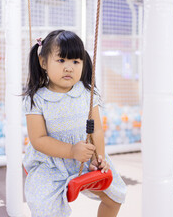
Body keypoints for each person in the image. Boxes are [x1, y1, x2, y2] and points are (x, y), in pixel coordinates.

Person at [23, 30, 127, 217]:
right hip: (50, 164)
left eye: (75, 61)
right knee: (44, 208)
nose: (69, 67)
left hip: (87, 159)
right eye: (61, 60)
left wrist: (98, 157)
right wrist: (71, 151)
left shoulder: (87, 95)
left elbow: (96, 130)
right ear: (43, 62)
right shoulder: (37, 100)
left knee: (115, 197)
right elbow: (38, 139)